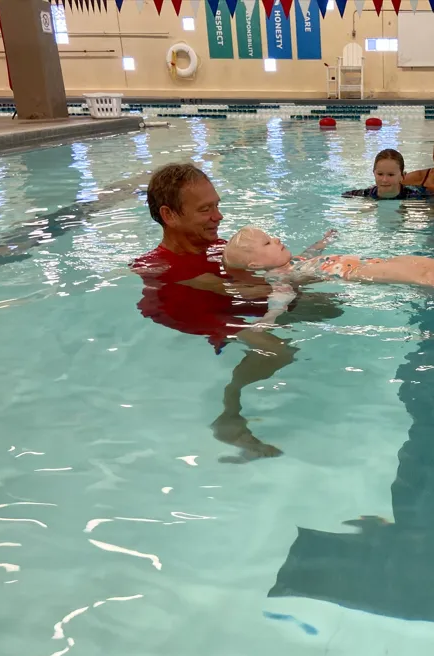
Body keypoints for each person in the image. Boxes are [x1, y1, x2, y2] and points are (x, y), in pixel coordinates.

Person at [131, 163, 342, 463]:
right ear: (169, 215)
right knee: (277, 352)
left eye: (217, 206)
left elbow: (259, 279)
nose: (219, 216)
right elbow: (242, 290)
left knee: (328, 306)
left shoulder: (219, 248)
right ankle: (229, 414)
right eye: (206, 209)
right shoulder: (159, 264)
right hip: (189, 310)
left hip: (228, 302)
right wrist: (299, 275)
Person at [222, 227, 434, 323]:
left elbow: (310, 255)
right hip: (365, 273)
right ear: (254, 266)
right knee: (428, 278)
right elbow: (280, 302)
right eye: (268, 242)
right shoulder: (281, 279)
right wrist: (266, 322)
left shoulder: (292, 260)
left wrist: (324, 241)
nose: (278, 239)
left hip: (375, 260)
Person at [342, 149, 430, 200]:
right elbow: (345, 195)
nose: (384, 180)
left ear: (402, 176)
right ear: (374, 173)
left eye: (391, 175)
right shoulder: (366, 194)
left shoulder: (414, 196)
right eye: (380, 174)